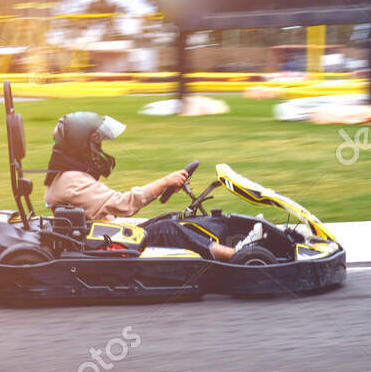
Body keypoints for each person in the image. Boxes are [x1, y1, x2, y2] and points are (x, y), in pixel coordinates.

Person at [41, 111, 261, 260]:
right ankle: (235, 255)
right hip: (102, 245)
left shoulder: (67, 177)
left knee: (171, 219)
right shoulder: (71, 180)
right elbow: (124, 204)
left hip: (101, 237)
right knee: (169, 229)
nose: (99, 150)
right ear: (80, 145)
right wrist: (163, 182)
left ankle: (230, 242)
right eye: (96, 144)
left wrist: (162, 187)